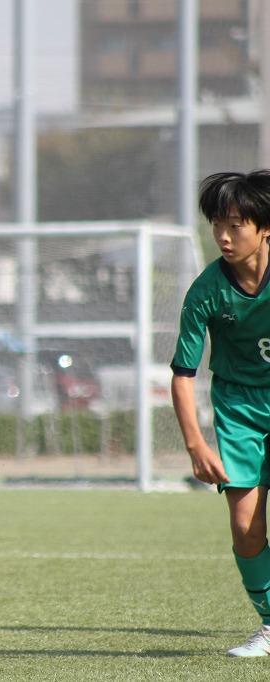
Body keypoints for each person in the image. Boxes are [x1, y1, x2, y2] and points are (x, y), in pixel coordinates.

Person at [171, 170, 270, 657]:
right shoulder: (206, 290)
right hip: (239, 410)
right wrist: (195, 444)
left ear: (265, 227)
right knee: (246, 525)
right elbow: (183, 374)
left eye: (235, 225)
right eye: (217, 225)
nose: (223, 237)